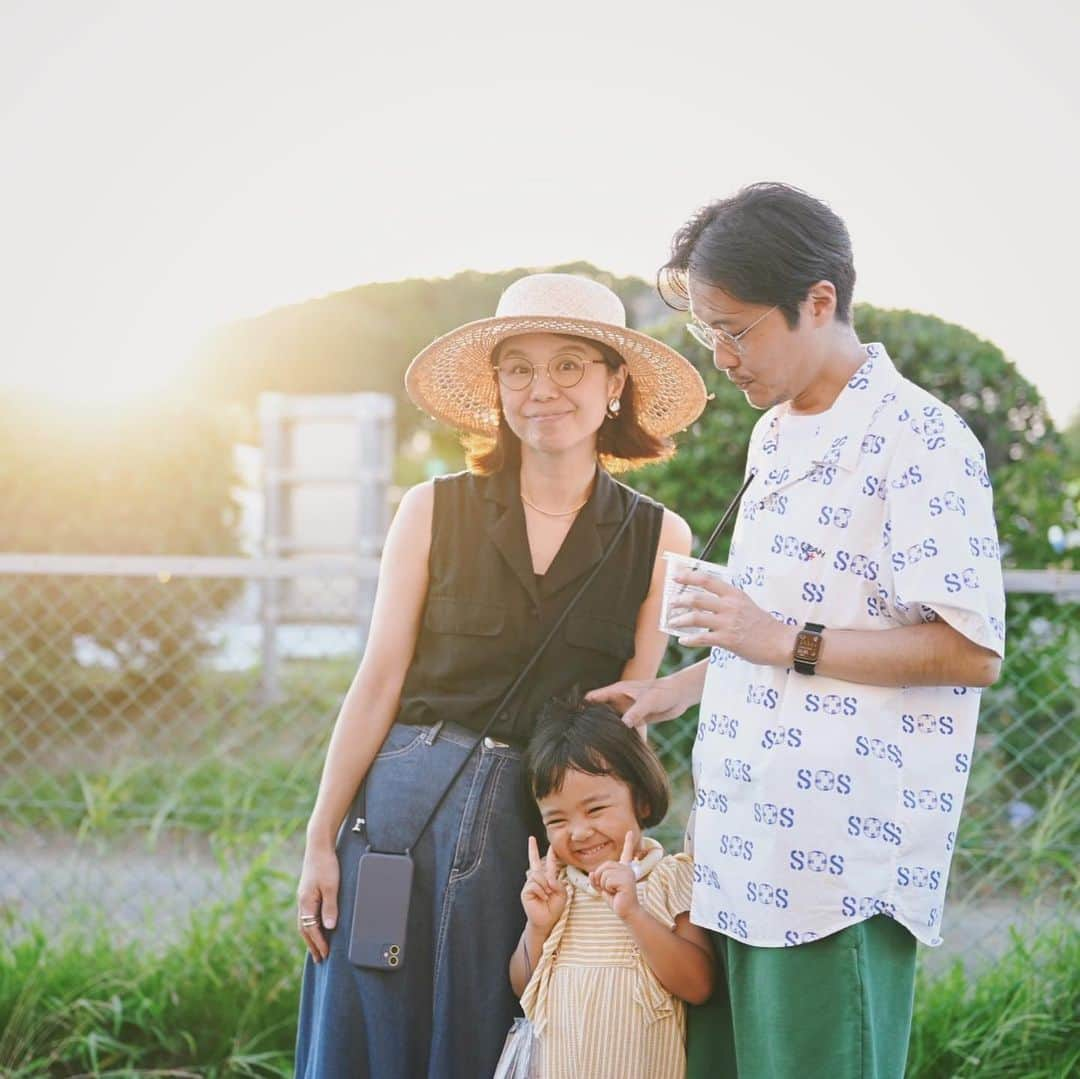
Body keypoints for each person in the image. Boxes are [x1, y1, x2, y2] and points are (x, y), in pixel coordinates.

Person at [590, 183, 1006, 1079]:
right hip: (734, 854)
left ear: (819, 301)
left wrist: (780, 637)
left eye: (736, 330)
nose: (723, 357)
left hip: (835, 871)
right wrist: (680, 686)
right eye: (709, 333)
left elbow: (971, 649)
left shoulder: (923, 438)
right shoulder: (773, 435)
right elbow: (775, 630)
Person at [293, 272, 706, 1079]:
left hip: (530, 843)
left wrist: (611, 871)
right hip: (400, 820)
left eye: (569, 366)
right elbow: (377, 680)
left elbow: (619, 729)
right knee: (366, 1033)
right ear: (496, 385)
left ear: (615, 383)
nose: (539, 388)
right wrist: (319, 839)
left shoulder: (660, 538)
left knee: (492, 1034)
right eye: (517, 366)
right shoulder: (431, 508)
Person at [509, 697, 714, 1079]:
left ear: (641, 799)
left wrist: (633, 914)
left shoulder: (669, 877)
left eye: (596, 809)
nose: (580, 831)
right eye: (557, 819)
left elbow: (699, 984)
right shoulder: (559, 890)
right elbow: (524, 987)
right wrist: (537, 927)